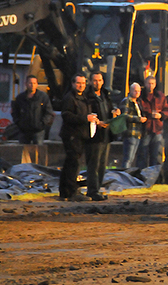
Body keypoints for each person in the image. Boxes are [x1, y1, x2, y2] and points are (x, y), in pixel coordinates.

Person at [59, 73, 96, 201]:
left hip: (80, 134)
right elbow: (66, 115)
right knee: (73, 163)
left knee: (70, 163)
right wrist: (85, 118)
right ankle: (71, 192)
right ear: (73, 84)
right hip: (71, 135)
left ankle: (64, 191)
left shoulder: (84, 97)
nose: (81, 86)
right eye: (79, 83)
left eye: (84, 83)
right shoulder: (69, 98)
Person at [84, 71, 120, 201]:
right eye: (94, 80)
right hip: (94, 136)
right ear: (90, 82)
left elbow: (110, 108)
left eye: (99, 80)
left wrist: (115, 112)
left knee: (102, 165)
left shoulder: (105, 94)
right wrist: (97, 122)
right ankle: (92, 191)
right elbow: (87, 112)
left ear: (103, 81)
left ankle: (97, 189)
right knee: (93, 164)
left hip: (106, 135)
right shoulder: (87, 96)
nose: (97, 83)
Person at [11, 75, 55, 145]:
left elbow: (48, 112)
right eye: (30, 83)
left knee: (38, 152)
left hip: (38, 131)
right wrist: (18, 123)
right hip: (24, 131)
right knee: (23, 152)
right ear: (26, 84)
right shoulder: (20, 98)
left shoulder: (43, 97)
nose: (32, 85)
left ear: (37, 84)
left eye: (34, 83)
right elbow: (15, 112)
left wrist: (42, 124)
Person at [138, 75, 168, 168]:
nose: (150, 86)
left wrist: (160, 115)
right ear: (145, 84)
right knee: (142, 156)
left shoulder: (160, 96)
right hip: (145, 130)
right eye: (148, 83)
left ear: (155, 84)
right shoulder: (140, 95)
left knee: (156, 156)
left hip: (157, 130)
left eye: (152, 84)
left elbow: (166, 110)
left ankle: (155, 177)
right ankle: (142, 177)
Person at [119, 82, 147, 169]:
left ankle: (129, 175)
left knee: (132, 158)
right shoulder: (126, 101)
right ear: (130, 91)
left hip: (137, 134)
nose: (137, 93)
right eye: (135, 91)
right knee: (128, 158)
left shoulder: (138, 102)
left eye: (138, 91)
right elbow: (124, 116)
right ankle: (125, 175)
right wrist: (139, 119)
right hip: (130, 133)